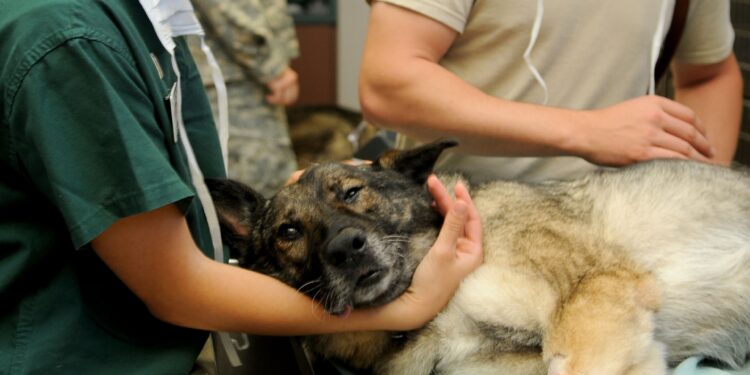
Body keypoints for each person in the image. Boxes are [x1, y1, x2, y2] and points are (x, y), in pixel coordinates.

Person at [0, 1, 483, 374]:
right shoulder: (71, 42)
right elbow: (175, 287)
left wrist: (319, 198)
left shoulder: (145, 20)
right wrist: (410, 307)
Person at [359, 0, 743, 184]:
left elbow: (708, 75)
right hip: (464, 235)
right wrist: (586, 131)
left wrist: (701, 191)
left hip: (624, 234)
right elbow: (388, 84)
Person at [190, 0, 300, 197]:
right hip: (233, 84)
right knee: (255, 191)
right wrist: (273, 68)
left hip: (235, 78)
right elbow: (232, 9)